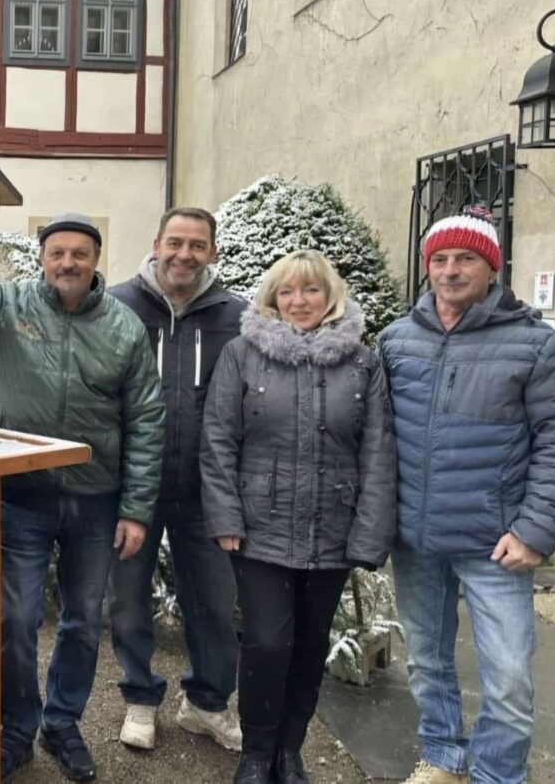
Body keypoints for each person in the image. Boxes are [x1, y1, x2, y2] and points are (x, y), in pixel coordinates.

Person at [0, 212, 165, 783]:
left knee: (84, 621)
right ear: (42, 258)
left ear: (95, 260)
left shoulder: (123, 327)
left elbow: (146, 420)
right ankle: (16, 729)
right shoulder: (6, 306)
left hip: (96, 500)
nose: (68, 263)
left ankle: (61, 725)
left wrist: (136, 510)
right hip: (22, 495)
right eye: (58, 253)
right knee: (15, 619)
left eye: (79, 254)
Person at [378, 205, 555, 784]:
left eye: (466, 259)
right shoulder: (396, 340)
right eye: (440, 259)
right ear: (427, 266)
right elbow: (377, 440)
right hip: (416, 539)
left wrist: (535, 531)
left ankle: (498, 775)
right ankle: (443, 757)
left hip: (496, 542)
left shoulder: (535, 345)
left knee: (507, 679)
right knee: (428, 662)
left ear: (492, 268)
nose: (451, 270)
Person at [201, 250, 397, 784]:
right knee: (267, 643)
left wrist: (368, 534)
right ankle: (256, 752)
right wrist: (225, 516)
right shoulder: (242, 355)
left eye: (311, 290)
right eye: (287, 291)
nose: (299, 301)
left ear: (329, 296)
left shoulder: (362, 363)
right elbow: (218, 439)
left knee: (310, 645)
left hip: (331, 527)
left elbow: (377, 452)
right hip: (259, 528)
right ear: (273, 298)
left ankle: (290, 750)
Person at [106, 206, 245, 752]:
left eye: (197, 245)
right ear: (156, 244)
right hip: (133, 486)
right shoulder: (116, 306)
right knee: (128, 599)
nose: (184, 254)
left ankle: (206, 704)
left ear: (212, 251)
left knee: (213, 601)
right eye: (176, 242)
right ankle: (140, 697)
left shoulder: (236, 315)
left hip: (207, 488)